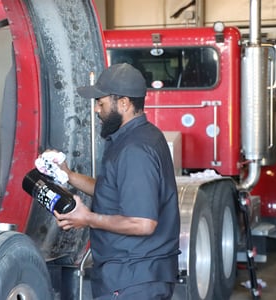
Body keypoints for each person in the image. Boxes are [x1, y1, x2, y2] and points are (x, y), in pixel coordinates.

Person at [52, 63, 180, 300]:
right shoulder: (140, 136)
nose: (96, 110)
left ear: (124, 103)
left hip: (133, 279)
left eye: (101, 103)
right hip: (131, 276)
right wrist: (68, 175)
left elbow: (143, 223)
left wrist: (87, 218)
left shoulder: (135, 150)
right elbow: (111, 190)